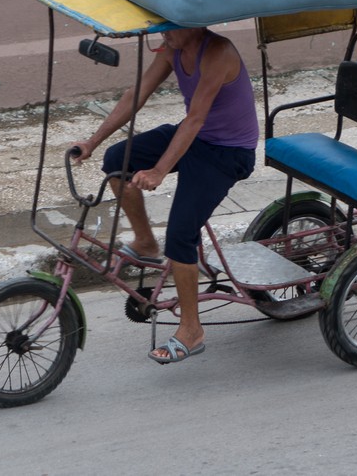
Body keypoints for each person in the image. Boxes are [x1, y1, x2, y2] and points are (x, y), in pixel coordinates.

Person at [71, 26, 258, 363]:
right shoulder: (172, 46)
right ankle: (145, 243)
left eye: (170, 26)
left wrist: (159, 171)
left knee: (181, 235)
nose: (163, 33)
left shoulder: (219, 52)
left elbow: (196, 118)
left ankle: (191, 329)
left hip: (227, 152)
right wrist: (92, 142)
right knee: (117, 160)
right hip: (196, 138)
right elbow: (137, 93)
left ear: (194, 23)